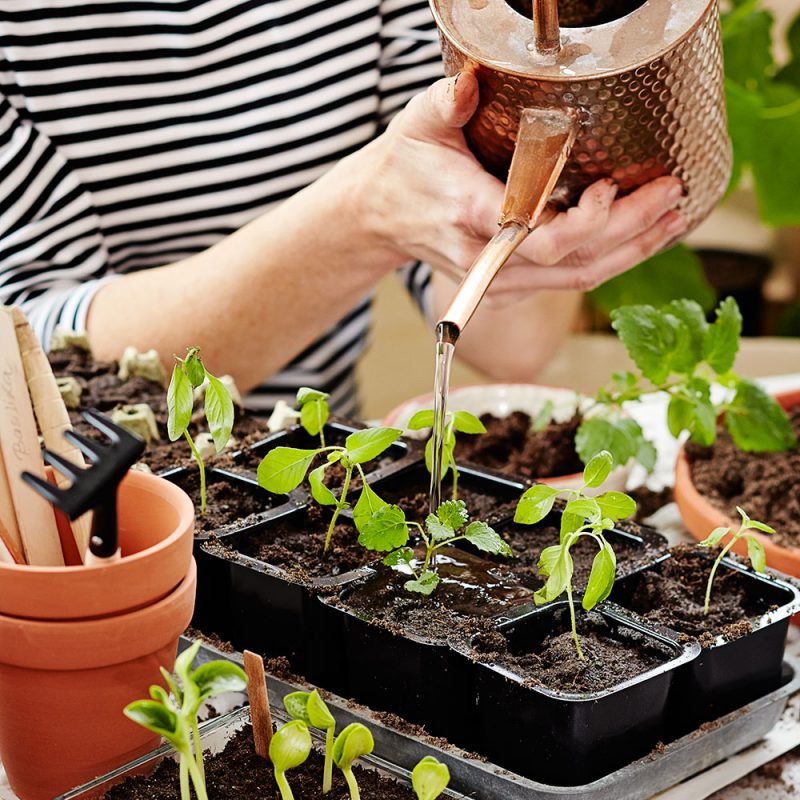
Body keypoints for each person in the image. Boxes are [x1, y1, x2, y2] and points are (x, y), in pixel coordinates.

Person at [0, 0, 686, 415]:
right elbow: (35, 380)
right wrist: (363, 217)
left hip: (319, 482)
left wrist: (562, 83)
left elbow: (513, 343)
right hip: (88, 531)